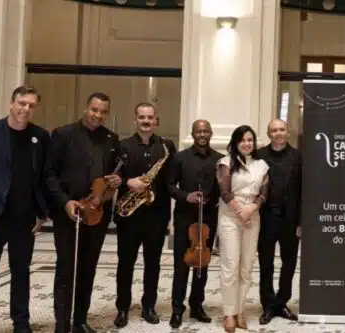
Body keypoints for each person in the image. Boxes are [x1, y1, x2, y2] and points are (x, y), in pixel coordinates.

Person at [0, 86, 50, 333]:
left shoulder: (40, 137)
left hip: (24, 219)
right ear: (12, 103)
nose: (26, 109)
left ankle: (21, 323)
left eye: (31, 105)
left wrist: (42, 213)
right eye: (22, 103)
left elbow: (43, 178)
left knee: (21, 272)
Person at [45, 92, 123, 333]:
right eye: (94, 110)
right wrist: (65, 202)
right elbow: (49, 175)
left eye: (103, 112)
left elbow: (112, 176)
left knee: (88, 269)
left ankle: (79, 320)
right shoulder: (62, 134)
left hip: (97, 213)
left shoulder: (111, 139)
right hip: (69, 212)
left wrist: (117, 180)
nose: (98, 115)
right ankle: (62, 324)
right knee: (66, 268)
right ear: (86, 108)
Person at [113, 103, 177, 327]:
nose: (146, 121)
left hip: (156, 214)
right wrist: (127, 182)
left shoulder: (166, 146)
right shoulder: (123, 146)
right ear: (135, 120)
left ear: (156, 120)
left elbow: (170, 179)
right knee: (125, 263)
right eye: (142, 117)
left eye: (150, 117)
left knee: (153, 263)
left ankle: (149, 306)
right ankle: (122, 307)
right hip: (129, 214)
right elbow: (112, 177)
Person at [168, 119, 222, 328]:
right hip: (185, 217)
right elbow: (169, 186)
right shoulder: (180, 158)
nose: (202, 134)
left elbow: (223, 188)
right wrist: (186, 196)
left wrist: (212, 198)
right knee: (181, 265)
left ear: (211, 133)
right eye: (198, 131)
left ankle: (197, 306)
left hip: (208, 219)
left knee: (202, 264)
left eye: (206, 131)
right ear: (192, 134)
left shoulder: (219, 159)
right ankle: (177, 309)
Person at [217, 125, 270, 332]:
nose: (247, 144)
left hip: (253, 217)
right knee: (230, 266)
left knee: (246, 267)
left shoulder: (262, 165)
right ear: (235, 142)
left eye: (250, 140)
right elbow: (224, 191)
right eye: (242, 140)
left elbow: (264, 193)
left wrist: (252, 209)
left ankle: (240, 311)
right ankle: (229, 313)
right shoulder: (225, 162)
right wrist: (241, 211)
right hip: (231, 216)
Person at [255, 119, 302, 325]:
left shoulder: (299, 156)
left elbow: (303, 191)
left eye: (282, 129)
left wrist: (301, 222)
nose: (278, 133)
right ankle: (268, 304)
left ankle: (281, 302)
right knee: (266, 264)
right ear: (269, 134)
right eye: (274, 130)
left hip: (291, 220)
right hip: (265, 219)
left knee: (289, 263)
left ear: (287, 132)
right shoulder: (259, 156)